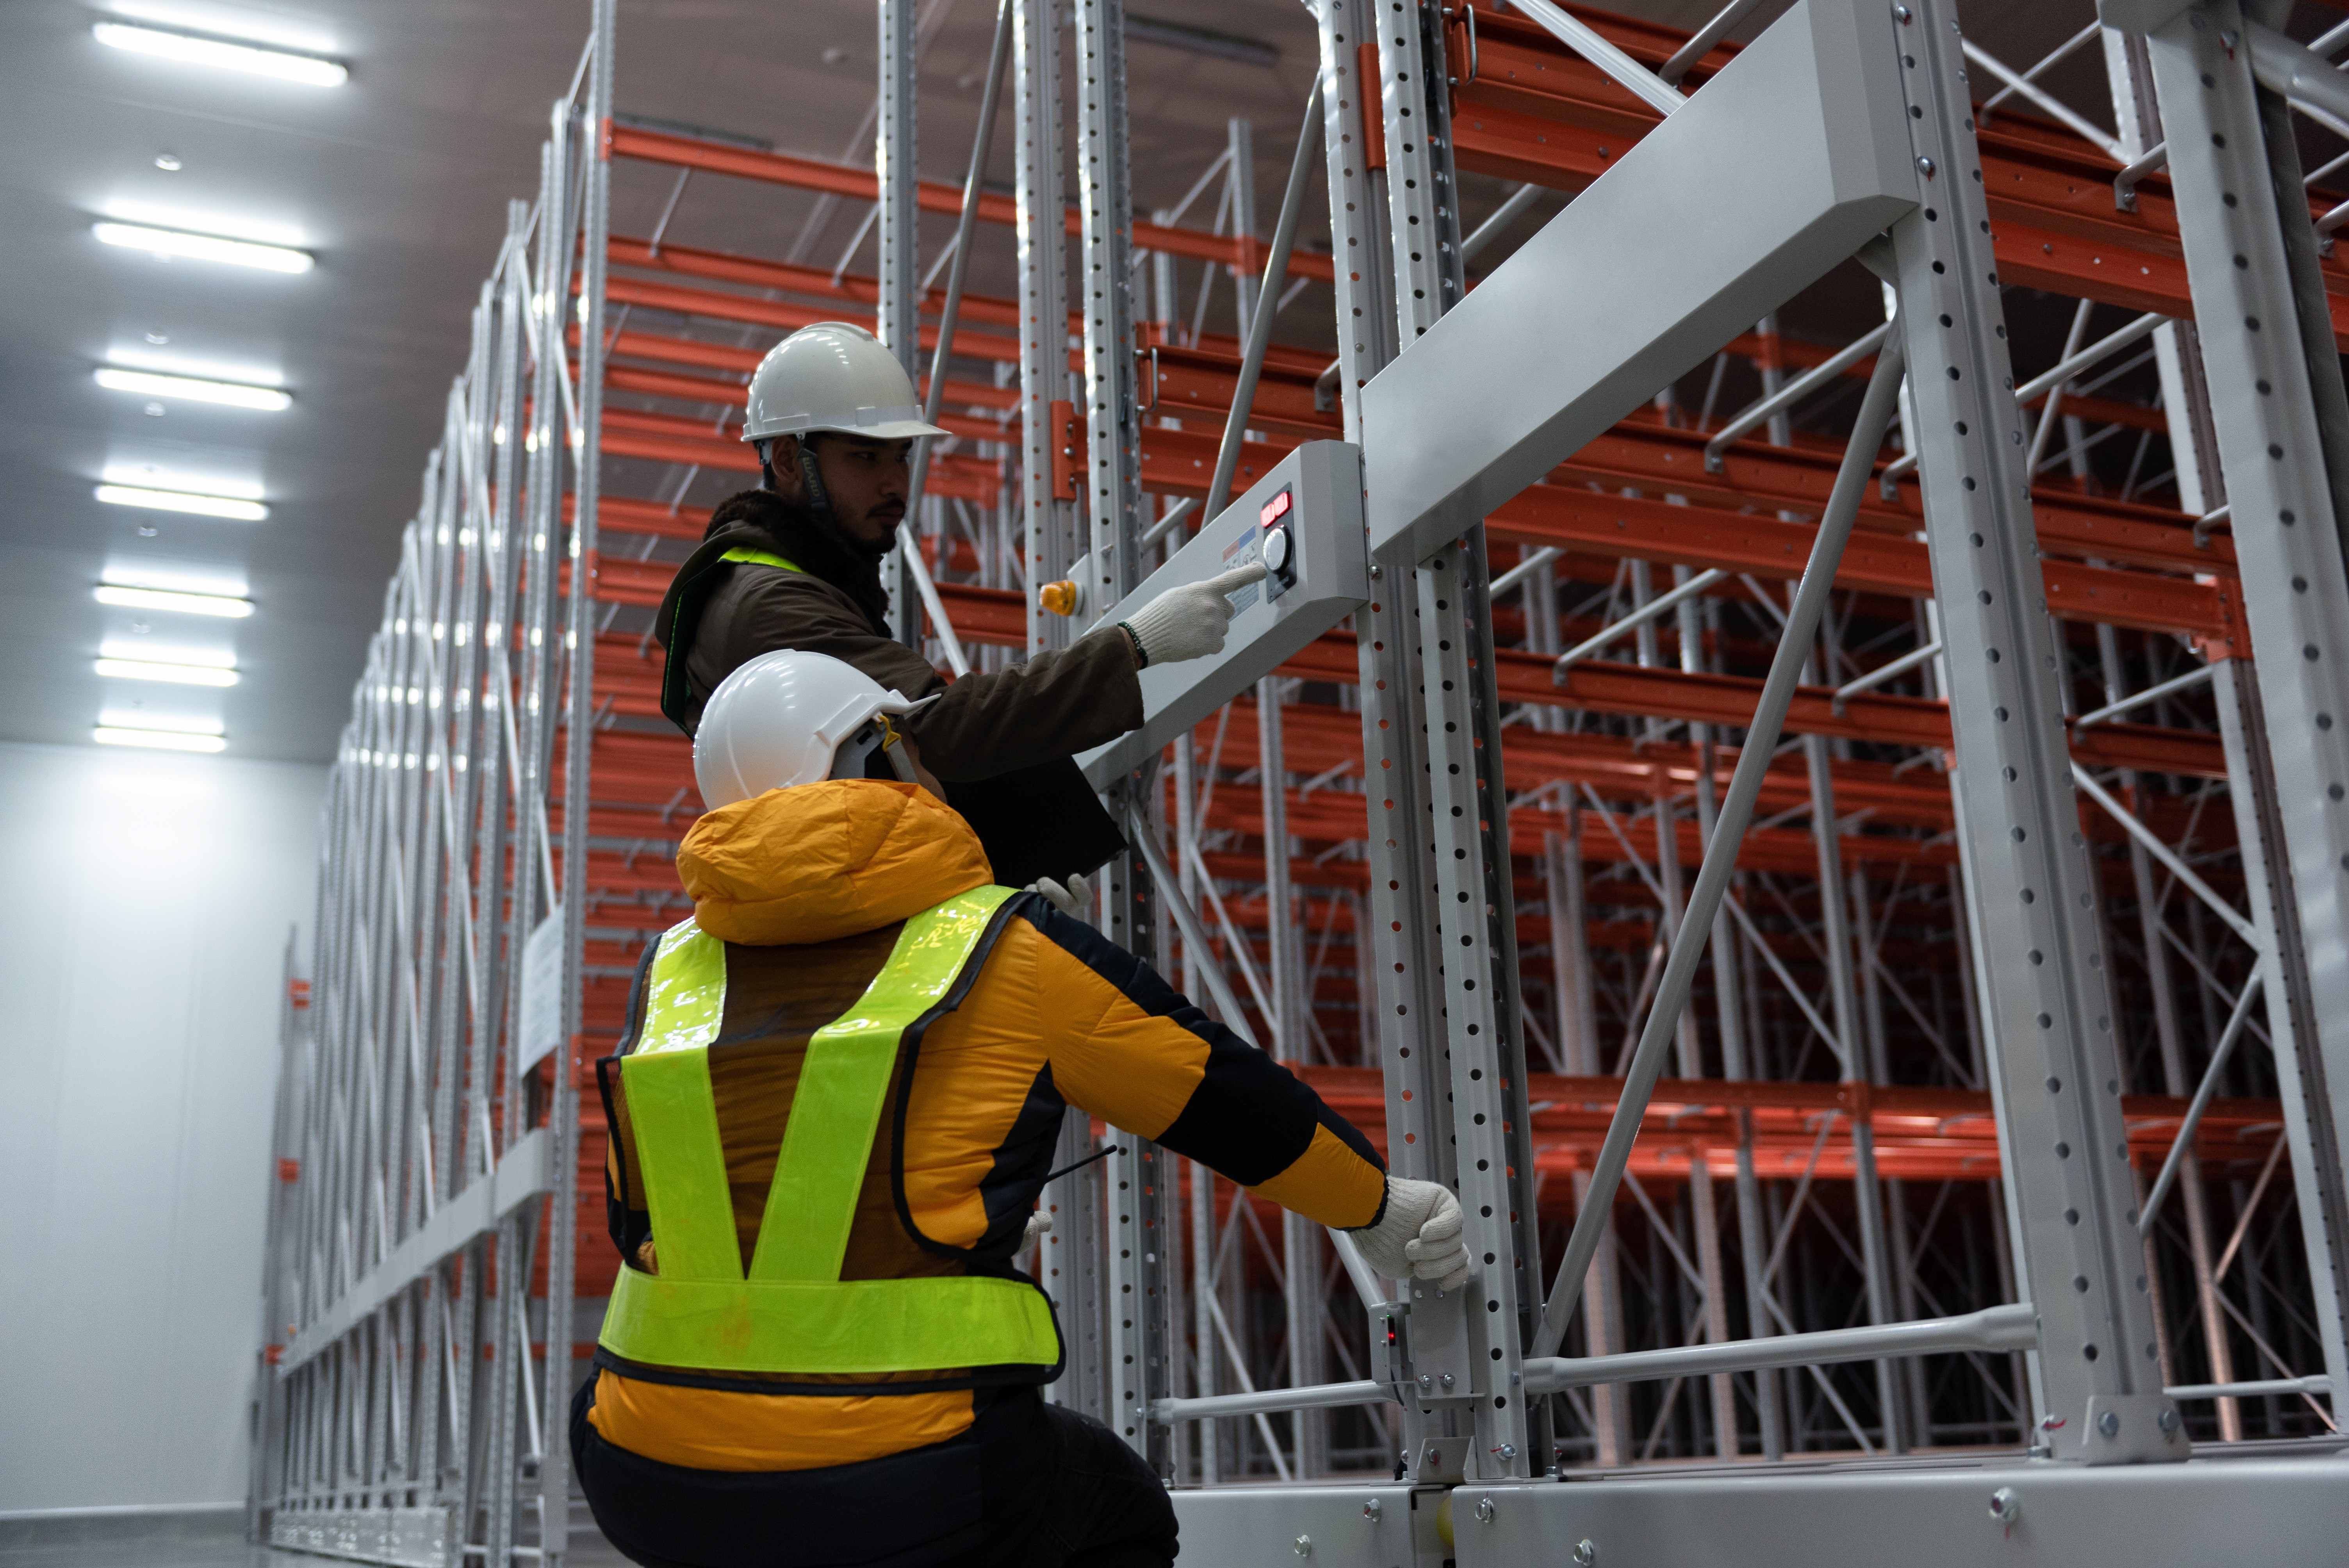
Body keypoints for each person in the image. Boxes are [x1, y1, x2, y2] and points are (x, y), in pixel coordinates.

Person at [572, 650, 1472, 1568]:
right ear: (876, 757)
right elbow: (1216, 1092)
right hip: (911, 1478)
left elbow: (641, 1218)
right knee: (1116, 1507)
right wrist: (1373, 1204)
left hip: (639, 1467)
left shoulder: (669, 973)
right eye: (909, 741)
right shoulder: (1007, 947)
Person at [654, 320, 1261, 891]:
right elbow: (936, 727)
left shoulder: (783, 585)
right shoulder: (770, 605)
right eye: (866, 457)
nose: (895, 484)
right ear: (789, 461)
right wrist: (1133, 645)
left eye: (902, 457)